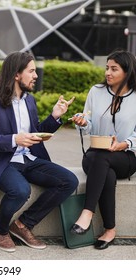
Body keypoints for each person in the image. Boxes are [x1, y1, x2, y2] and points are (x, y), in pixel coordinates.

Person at [0, 51, 79, 252]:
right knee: (20, 190)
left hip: (29, 158)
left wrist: (55, 117)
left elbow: (35, 133)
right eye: (31, 71)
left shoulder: (29, 100)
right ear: (16, 74)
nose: (36, 75)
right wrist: (14, 139)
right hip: (1, 161)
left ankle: (22, 225)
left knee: (69, 181)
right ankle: (1, 230)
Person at [70, 49, 136, 250]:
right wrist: (82, 121)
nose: (108, 72)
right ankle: (109, 229)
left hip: (125, 157)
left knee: (105, 162)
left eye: (114, 69)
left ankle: (87, 213)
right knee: (103, 166)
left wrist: (124, 144)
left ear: (127, 71)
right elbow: (88, 121)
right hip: (95, 155)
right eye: (107, 68)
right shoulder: (96, 91)